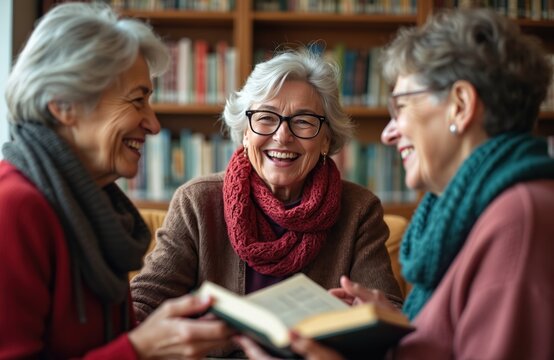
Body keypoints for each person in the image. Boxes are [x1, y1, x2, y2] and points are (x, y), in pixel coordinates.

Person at [236, 7, 554, 360]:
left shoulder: (518, 220)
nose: (388, 132)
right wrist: (402, 328)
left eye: (401, 106)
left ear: (460, 106)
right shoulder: (476, 212)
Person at [131, 47, 404, 355]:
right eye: (265, 118)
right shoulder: (197, 202)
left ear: (326, 139)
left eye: (302, 121)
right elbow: (144, 304)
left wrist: (366, 320)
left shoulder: (358, 210)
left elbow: (388, 314)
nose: (282, 135)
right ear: (245, 133)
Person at [0, 3, 234, 358]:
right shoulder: (13, 208)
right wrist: (140, 348)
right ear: (64, 104)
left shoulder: (98, 207)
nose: (154, 125)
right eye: (138, 100)